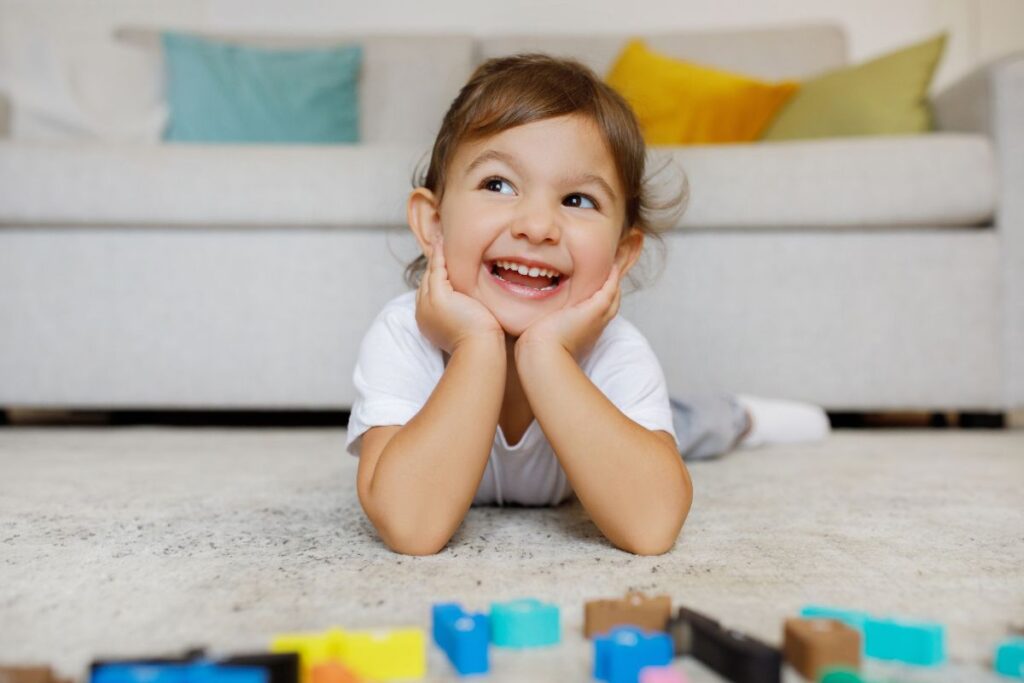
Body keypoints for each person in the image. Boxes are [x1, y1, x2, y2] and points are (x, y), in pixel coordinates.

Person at [345, 52, 828, 557]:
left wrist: (547, 354)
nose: (536, 226)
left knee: (686, 425)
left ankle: (739, 416)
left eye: (577, 200)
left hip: (612, 423)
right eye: (498, 185)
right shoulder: (403, 336)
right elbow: (411, 525)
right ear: (434, 224)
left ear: (620, 255)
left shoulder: (614, 352)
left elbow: (652, 526)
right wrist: (475, 346)